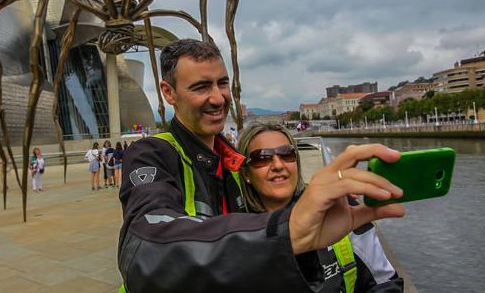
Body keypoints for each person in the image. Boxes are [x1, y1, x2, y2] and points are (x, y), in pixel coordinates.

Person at [118, 39, 404, 293]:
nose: (218, 98)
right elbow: (145, 249)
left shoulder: (233, 164)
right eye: (201, 87)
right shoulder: (152, 154)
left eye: (222, 83)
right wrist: (287, 229)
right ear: (168, 92)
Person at [237, 121, 403, 292]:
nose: (278, 165)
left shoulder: (340, 208)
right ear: (246, 174)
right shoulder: (240, 236)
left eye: (287, 154)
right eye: (262, 158)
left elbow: (385, 283)